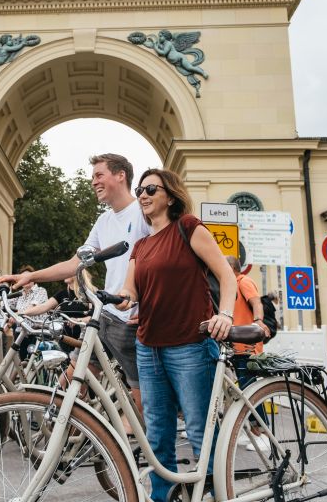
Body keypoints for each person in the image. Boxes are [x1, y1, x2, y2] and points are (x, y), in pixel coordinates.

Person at [113, 168, 236, 502]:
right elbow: (130, 290)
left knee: (199, 429)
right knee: (157, 433)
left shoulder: (188, 228)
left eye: (151, 188)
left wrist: (224, 314)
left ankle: (212, 494)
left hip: (190, 345)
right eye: (140, 190)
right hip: (148, 346)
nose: (143, 195)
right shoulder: (140, 246)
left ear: (171, 194)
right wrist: (117, 299)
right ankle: (161, 497)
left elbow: (226, 275)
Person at [0, 153, 151, 418]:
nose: (93, 182)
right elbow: (74, 263)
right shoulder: (103, 221)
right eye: (93, 177)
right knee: (75, 374)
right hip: (106, 313)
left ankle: (141, 446)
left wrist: (151, 306)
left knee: (140, 401)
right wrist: (31, 277)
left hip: (131, 316)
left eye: (99, 175)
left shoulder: (143, 212)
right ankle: (59, 430)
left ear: (120, 175)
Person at [226, 255, 271, 451]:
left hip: (247, 346)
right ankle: (251, 432)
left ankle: (264, 434)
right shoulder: (228, 287)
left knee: (250, 389)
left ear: (231, 268)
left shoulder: (243, 281)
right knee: (242, 391)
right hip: (236, 346)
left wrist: (258, 321)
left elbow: (256, 303)